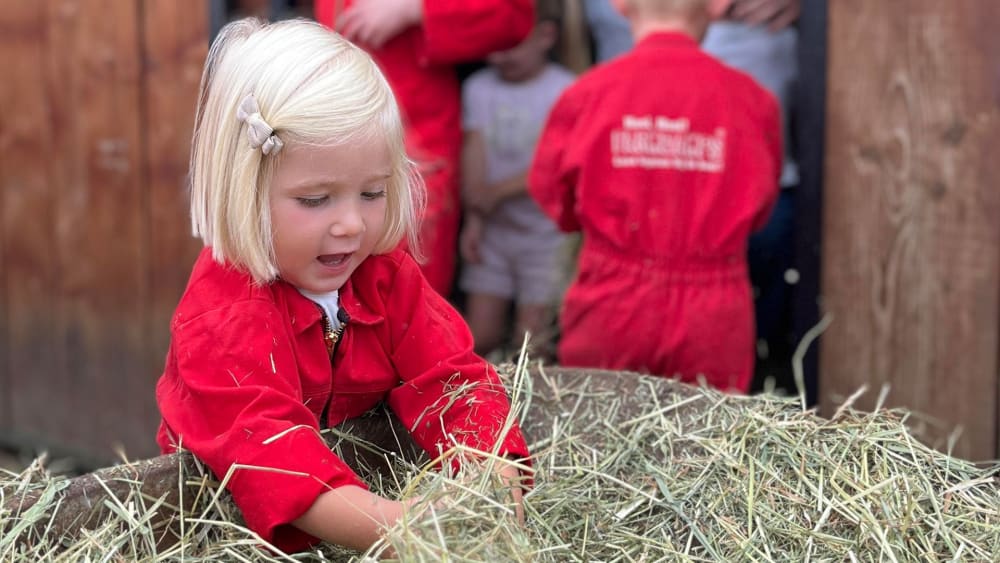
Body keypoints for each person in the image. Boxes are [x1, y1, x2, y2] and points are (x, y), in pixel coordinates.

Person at [155, 18, 529, 555]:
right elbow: (270, 453)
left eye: (372, 193)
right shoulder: (224, 314)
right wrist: (402, 527)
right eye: (315, 200)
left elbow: (453, 380)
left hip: (364, 502)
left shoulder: (383, 276)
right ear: (245, 189)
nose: (352, 224)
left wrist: (489, 477)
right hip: (233, 529)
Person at [529, 0, 782, 392]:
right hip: (712, 315)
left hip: (611, 304)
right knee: (710, 441)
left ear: (619, 5)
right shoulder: (753, 101)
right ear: (717, 6)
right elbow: (761, 207)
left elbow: (552, 197)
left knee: (598, 433)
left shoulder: (586, 95)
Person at [314, 0, 535, 297]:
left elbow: (512, 14)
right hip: (334, 131)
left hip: (413, 144)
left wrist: (415, 9)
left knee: (408, 294)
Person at [458, 2, 576, 361]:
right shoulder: (479, 88)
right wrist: (475, 218)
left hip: (545, 235)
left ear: (546, 36)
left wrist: (497, 193)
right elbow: (474, 149)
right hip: (494, 230)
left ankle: (526, 405)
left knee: (532, 341)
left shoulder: (565, 89)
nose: (500, 55)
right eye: (492, 43)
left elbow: (555, 163)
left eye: (511, 42)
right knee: (481, 334)